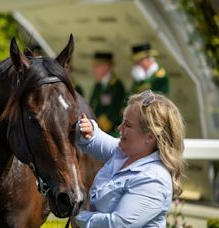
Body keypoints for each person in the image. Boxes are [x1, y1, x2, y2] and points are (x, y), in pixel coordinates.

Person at [75, 90, 186, 227]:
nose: (119, 128)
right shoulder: (127, 152)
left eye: (127, 124)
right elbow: (95, 139)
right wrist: (88, 129)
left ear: (149, 137)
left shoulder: (154, 179)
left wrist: (78, 216)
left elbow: (117, 224)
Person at [89, 52, 126, 136]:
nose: (94, 70)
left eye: (97, 66)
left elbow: (117, 108)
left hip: (111, 131)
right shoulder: (98, 85)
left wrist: (102, 125)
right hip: (98, 128)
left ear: (106, 67)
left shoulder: (117, 85)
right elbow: (92, 104)